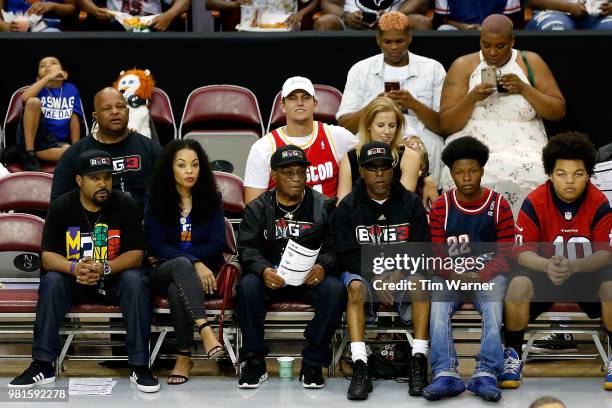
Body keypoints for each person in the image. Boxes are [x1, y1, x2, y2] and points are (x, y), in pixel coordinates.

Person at [8, 150, 159, 393]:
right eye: (95, 178)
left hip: (112, 280)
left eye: (107, 178)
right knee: (52, 281)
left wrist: (105, 268)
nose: (103, 184)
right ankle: (42, 365)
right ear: (80, 180)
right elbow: (47, 256)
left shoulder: (125, 204)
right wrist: (74, 267)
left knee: (135, 279)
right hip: (74, 280)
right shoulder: (62, 206)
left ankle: (140, 365)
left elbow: (135, 254)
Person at [499, 132, 612, 390]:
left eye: (578, 174)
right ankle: (513, 355)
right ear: (550, 173)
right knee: (517, 285)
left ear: (588, 174)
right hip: (545, 274)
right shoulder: (535, 200)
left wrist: (575, 267)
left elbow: (606, 252)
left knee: (611, 287)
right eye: (562, 174)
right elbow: (522, 251)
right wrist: (546, 265)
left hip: (586, 275)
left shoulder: (599, 202)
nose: (570, 181)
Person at [236, 145, 344, 389]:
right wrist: (263, 269)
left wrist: (323, 267)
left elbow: (336, 247)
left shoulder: (323, 205)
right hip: (272, 277)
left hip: (308, 277)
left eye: (300, 172)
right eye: (288, 173)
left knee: (334, 289)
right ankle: (254, 361)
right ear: (274, 176)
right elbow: (247, 248)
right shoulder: (258, 207)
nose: (296, 178)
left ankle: (313, 363)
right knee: (247, 286)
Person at [439, 14, 566, 213]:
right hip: (474, 140)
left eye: (500, 46)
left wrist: (524, 88)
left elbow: (558, 111)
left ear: (512, 42)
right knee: (466, 173)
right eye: (486, 45)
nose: (492, 53)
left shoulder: (529, 61)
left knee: (538, 173)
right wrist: (472, 98)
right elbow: (446, 124)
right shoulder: (463, 65)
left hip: (525, 142)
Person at [335, 141, 431, 399]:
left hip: (401, 273)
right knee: (355, 287)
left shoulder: (411, 203)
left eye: (384, 167)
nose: (379, 173)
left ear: (393, 170)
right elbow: (344, 254)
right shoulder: (347, 207)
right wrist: (375, 277)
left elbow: (422, 248)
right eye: (372, 168)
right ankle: (360, 364)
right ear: (362, 172)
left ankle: (419, 359)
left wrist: (398, 272)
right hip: (365, 275)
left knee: (421, 284)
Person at [423, 136, 514, 402]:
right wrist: (455, 275)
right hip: (451, 275)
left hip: (487, 275)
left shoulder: (498, 205)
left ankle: (485, 373)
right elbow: (435, 254)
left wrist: (480, 275)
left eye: (472, 171)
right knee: (438, 303)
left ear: (482, 170)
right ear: (451, 173)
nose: (466, 177)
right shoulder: (442, 206)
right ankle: (445, 373)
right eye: (460, 172)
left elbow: (508, 254)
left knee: (494, 303)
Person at [144, 139, 227, 385]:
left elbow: (217, 242)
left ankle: (183, 356)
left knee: (176, 288)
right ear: (170, 168)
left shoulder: (212, 198)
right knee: (180, 266)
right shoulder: (156, 199)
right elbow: (158, 245)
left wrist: (193, 262)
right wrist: (195, 262)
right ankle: (204, 328)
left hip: (198, 274)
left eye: (195, 165)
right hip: (163, 269)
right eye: (182, 165)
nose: (189, 171)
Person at [336, 11, 446, 184]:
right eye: (388, 41)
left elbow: (443, 126)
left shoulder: (432, 69)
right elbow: (344, 125)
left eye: (399, 41)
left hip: (423, 142)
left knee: (435, 145)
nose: (394, 47)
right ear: (378, 40)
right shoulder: (361, 70)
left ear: (409, 38)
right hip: (373, 144)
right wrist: (374, 107)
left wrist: (413, 104)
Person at [244, 76, 357, 203]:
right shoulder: (264, 147)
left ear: (315, 103)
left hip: (329, 221)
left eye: (306, 97)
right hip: (282, 222)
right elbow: (253, 208)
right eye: (292, 98)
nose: (300, 102)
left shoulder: (337, 136)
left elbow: (369, 152)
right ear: (283, 106)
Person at [51, 87, 160, 213]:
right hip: (94, 225)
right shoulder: (75, 153)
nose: (115, 112)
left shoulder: (150, 148)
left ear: (128, 111)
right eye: (107, 108)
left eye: (120, 106)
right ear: (96, 116)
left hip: (141, 223)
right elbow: (58, 203)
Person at [336, 96, 438, 206]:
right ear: (368, 125)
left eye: (392, 125)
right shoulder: (350, 158)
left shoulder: (410, 157)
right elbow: (341, 205)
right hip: (358, 221)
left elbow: (403, 205)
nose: (387, 132)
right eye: (380, 125)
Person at [16, 56, 83, 171]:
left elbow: (74, 119)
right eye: (42, 65)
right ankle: (29, 153)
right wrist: (47, 78)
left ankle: (24, 156)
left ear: (64, 74)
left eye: (53, 63)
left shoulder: (71, 89)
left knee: (71, 153)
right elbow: (25, 98)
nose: (47, 66)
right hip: (35, 139)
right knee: (33, 102)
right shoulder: (37, 89)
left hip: (54, 144)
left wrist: (75, 147)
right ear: (38, 79)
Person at [314, 0, 431, 30]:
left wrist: (397, 15)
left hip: (396, 23)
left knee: (422, 23)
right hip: (350, 22)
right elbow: (328, 3)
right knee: (324, 23)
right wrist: (346, 16)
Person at [205, 0, 319, 31]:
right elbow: (209, 3)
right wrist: (233, 5)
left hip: (284, 26)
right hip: (252, 29)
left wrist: (301, 13)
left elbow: (316, 2)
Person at [79, 0, 190, 31]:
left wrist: (169, 15)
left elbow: (184, 3)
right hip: (117, 24)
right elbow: (82, 2)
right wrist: (94, 10)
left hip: (154, 23)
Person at [434, 0, 522, 30]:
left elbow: (511, 19)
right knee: (444, 29)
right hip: (461, 30)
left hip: (495, 30)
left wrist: (487, 28)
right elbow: (444, 19)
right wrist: (465, 27)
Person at [526, 0, 612, 31]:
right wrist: (569, 7)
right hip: (553, 11)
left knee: (608, 28)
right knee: (556, 28)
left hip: (598, 13)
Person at [0, 0, 76, 31]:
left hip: (50, 32)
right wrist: (8, 28)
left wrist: (53, 6)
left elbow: (72, 9)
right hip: (12, 36)